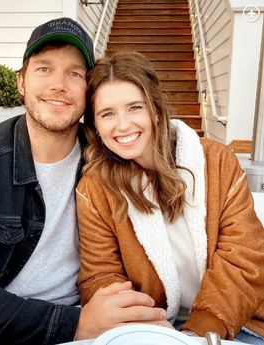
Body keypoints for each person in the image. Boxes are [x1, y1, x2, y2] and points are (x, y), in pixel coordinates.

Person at [0, 19, 168, 345]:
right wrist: (73, 324)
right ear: (21, 82)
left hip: (82, 311)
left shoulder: (110, 156)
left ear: (89, 91)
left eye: (75, 73)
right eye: (44, 69)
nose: (59, 85)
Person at [76, 51, 264, 344]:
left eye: (134, 107)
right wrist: (147, 326)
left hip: (238, 320)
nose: (123, 125)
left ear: (155, 109)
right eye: (107, 113)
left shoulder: (215, 161)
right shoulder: (94, 188)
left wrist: (195, 334)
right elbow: (102, 275)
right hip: (154, 326)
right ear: (96, 128)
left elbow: (244, 257)